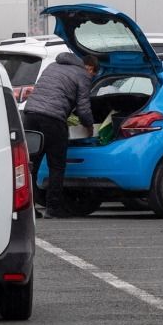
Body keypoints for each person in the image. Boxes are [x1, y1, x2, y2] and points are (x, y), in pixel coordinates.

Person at [23, 51, 98, 217]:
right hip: (53, 119)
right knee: (56, 165)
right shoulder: (83, 75)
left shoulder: (52, 66)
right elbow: (83, 108)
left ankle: (28, 209)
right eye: (94, 73)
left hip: (30, 116)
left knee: (31, 165)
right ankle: (53, 208)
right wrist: (89, 126)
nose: (92, 77)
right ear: (90, 68)